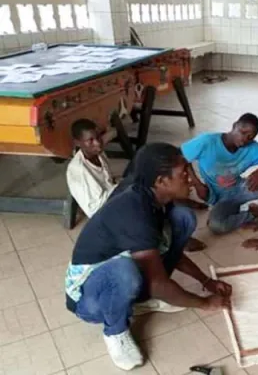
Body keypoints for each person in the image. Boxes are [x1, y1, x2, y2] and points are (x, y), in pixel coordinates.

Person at [65, 143, 232, 371]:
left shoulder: (155, 196)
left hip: (122, 267)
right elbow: (157, 284)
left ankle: (139, 300)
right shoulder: (134, 211)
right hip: (89, 297)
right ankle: (115, 331)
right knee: (126, 273)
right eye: (183, 173)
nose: (190, 178)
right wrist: (204, 303)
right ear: (161, 181)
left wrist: (205, 281)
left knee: (183, 218)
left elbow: (165, 248)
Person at [66, 119, 206, 251]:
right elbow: (95, 209)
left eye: (98, 137)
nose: (97, 143)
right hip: (106, 208)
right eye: (90, 141)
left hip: (115, 194)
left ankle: (173, 198)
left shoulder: (97, 153)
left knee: (145, 161)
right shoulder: (78, 170)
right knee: (145, 181)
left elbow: (109, 181)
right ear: (77, 143)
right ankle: (169, 229)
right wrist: (126, 187)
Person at [182, 113, 258, 234]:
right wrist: (197, 183)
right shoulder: (207, 141)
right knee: (216, 225)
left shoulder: (251, 147)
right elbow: (181, 157)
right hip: (219, 198)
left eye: (250, 137)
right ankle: (252, 213)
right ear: (234, 125)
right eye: (243, 132)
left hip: (242, 188)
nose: (245, 139)